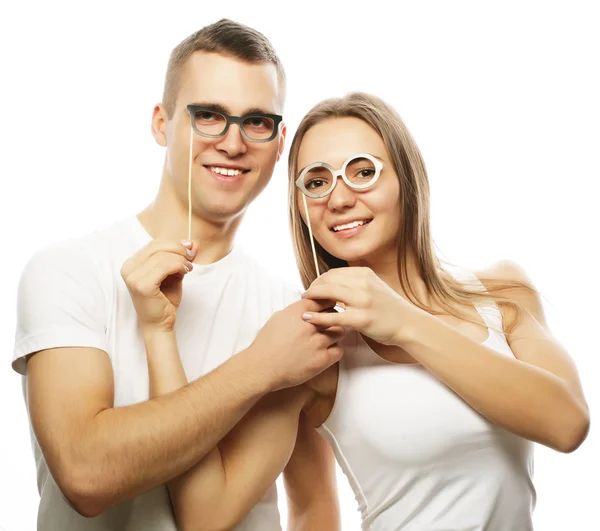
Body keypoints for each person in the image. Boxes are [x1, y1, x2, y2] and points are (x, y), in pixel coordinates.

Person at [160, 91, 590, 531]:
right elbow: (208, 515)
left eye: (363, 171)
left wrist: (403, 321)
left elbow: (567, 423)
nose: (340, 198)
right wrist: (157, 331)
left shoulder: (502, 293)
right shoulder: (314, 342)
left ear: (406, 176)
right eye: (316, 181)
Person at [12, 19, 343, 531]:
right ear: (161, 123)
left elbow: (313, 507)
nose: (232, 143)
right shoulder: (68, 271)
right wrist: (261, 367)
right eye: (209, 116)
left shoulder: (293, 314)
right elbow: (86, 474)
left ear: (280, 143)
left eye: (256, 122)